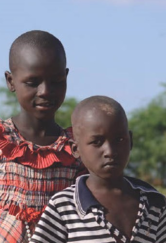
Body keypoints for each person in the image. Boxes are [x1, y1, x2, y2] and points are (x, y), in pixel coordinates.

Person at [0, 30, 86, 243]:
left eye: (56, 81)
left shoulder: (75, 148)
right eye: (33, 82)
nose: (45, 91)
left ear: (66, 77)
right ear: (11, 81)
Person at [31, 96, 166, 243]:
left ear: (131, 141)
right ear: (76, 149)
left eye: (119, 140)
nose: (110, 151)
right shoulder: (64, 206)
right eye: (97, 142)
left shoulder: (154, 203)